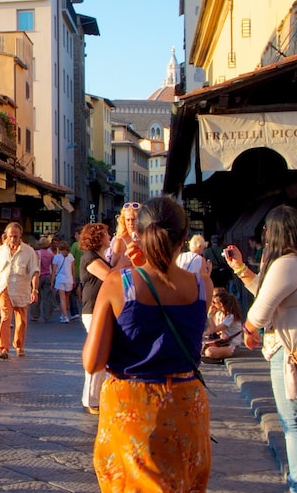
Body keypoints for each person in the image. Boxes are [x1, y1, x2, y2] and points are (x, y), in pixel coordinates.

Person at [83, 196, 211, 491]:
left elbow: (93, 362)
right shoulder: (202, 284)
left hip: (133, 407)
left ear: (136, 235)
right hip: (186, 404)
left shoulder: (119, 284)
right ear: (183, 237)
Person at [227, 205, 297, 492]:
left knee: (294, 424)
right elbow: (272, 295)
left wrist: (250, 331)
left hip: (292, 353)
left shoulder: (287, 264)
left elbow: (260, 311)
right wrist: (241, 270)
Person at [77, 222, 110, 414]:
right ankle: (91, 399)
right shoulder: (90, 258)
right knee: (98, 353)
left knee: (103, 353)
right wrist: (122, 263)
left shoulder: (101, 256)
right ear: (98, 237)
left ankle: (96, 396)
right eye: (106, 233)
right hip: (92, 310)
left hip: (101, 308)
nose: (109, 236)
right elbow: (109, 276)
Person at [0, 222, 39, 360]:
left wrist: (35, 290)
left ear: (20, 236)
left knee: (21, 321)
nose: (13, 239)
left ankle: (19, 346)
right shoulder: (0, 251)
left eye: (16, 236)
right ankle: (3, 348)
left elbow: (34, 271)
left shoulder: (29, 251)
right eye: (10, 236)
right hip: (5, 289)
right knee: (5, 318)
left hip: (21, 290)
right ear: (6, 236)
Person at [202, 288, 242, 361]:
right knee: (200, 347)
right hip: (222, 342)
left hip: (231, 345)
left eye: (214, 303)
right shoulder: (219, 314)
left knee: (209, 352)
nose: (212, 305)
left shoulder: (230, 316)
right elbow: (211, 330)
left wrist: (210, 315)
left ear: (220, 304)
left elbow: (214, 329)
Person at [107, 201, 140, 271]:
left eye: (134, 219)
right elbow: (113, 267)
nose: (131, 223)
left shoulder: (147, 237)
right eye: (128, 220)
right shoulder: (120, 240)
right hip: (126, 279)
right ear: (123, 220)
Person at [51, 242, 75, 323]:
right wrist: (74, 280)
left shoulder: (56, 257)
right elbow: (73, 269)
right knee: (67, 298)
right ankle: (64, 314)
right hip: (69, 279)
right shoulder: (71, 256)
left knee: (62, 298)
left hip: (60, 279)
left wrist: (52, 282)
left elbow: (54, 271)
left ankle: (65, 316)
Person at [32, 239, 55, 322]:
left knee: (36, 295)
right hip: (48, 276)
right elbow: (53, 267)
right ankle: (47, 316)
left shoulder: (36, 253)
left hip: (38, 276)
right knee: (47, 297)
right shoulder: (51, 254)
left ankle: (35, 315)